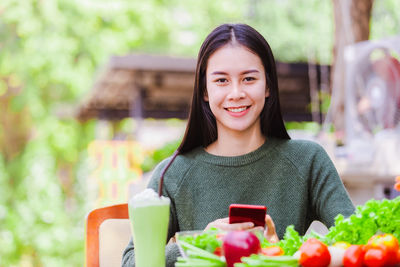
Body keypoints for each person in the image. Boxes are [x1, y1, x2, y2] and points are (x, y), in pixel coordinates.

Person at [122, 23, 355, 267]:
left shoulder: (307, 161)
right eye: (221, 80)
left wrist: (281, 252)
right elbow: (130, 261)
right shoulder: (171, 174)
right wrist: (200, 243)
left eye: (249, 78)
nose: (236, 93)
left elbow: (357, 241)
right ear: (204, 90)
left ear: (267, 86)